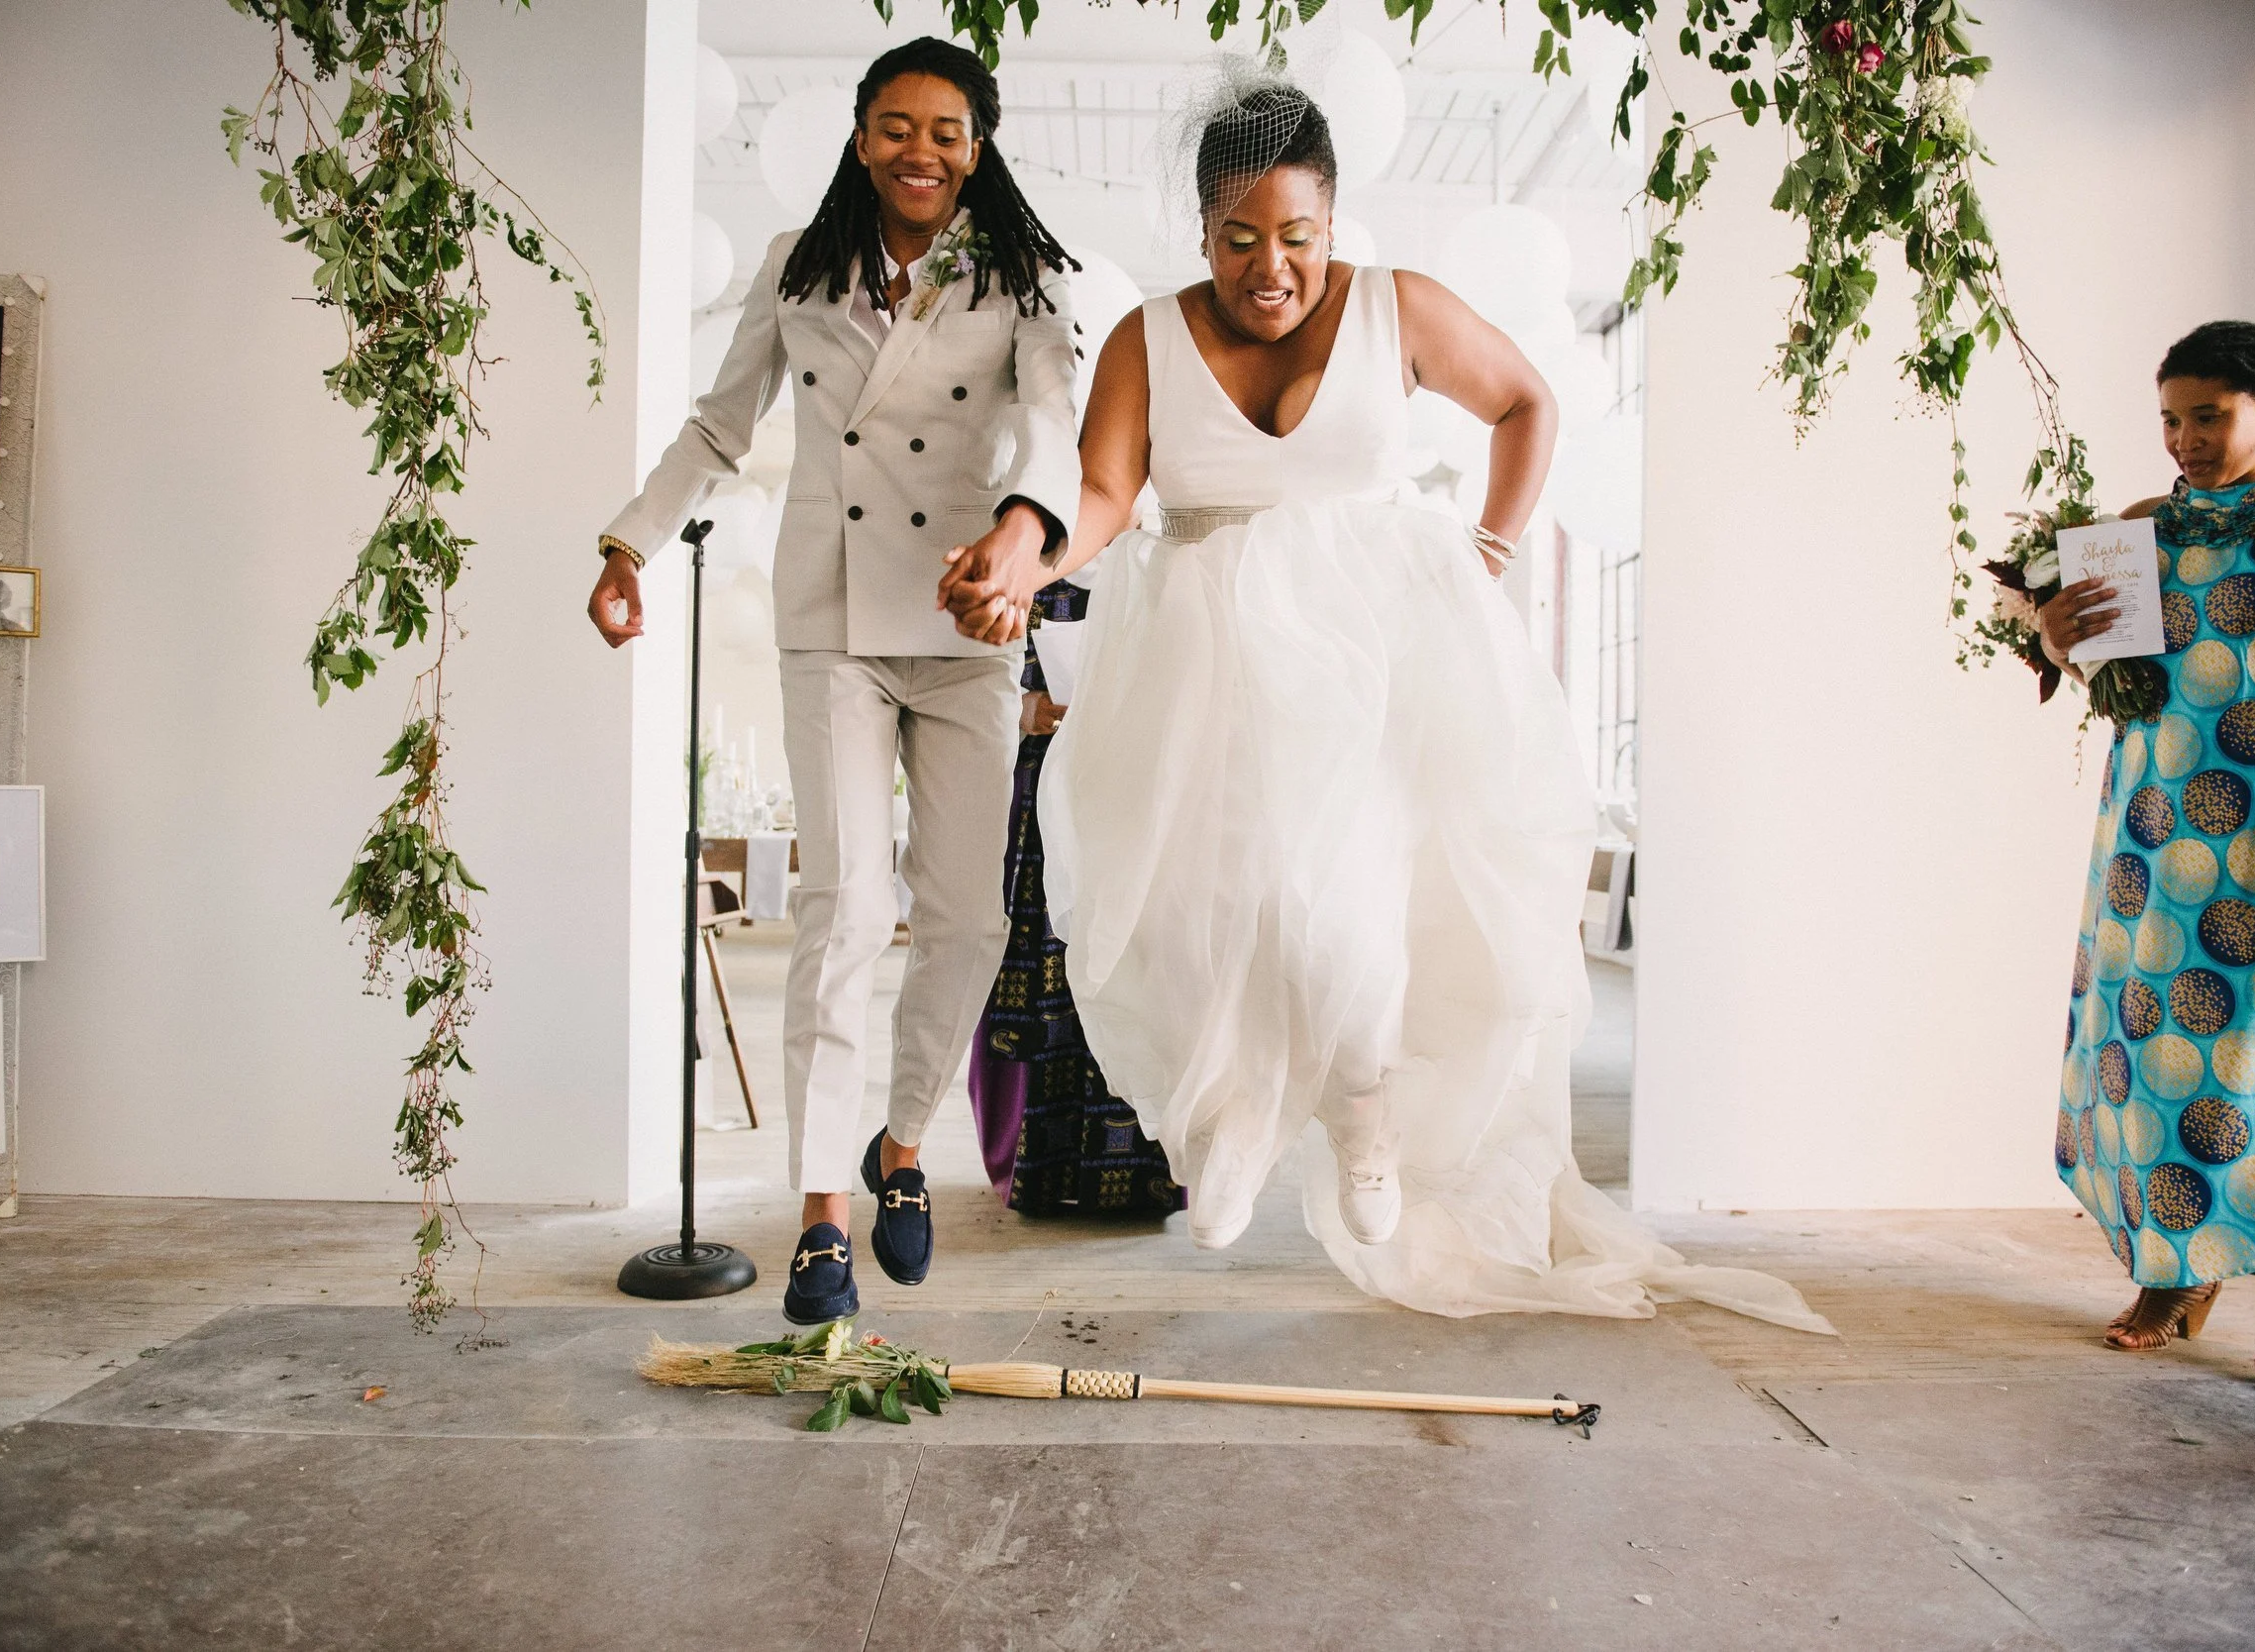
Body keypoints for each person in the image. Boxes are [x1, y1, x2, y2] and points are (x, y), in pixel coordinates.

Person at [937, 68, 1828, 1330]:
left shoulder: (1394, 307)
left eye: (1296, 238)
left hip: (1369, 671)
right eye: (1238, 241)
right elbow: (1100, 498)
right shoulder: (1147, 335)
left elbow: (1526, 401)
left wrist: (1493, 552)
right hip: (1206, 674)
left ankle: (1363, 1125)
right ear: (1201, 233)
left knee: (1343, 915)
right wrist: (1022, 562)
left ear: (1334, 222)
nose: (1269, 268)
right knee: (1199, 909)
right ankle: (1232, 1116)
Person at [586, 38, 1080, 1324]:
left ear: (978, 150)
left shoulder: (1023, 277)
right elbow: (718, 426)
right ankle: (820, 1219)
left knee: (968, 917)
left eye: (949, 131)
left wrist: (1025, 535)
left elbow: (1054, 426)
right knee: (844, 904)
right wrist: (630, 540)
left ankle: (900, 1150)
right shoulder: (799, 272)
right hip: (838, 628)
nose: (924, 149)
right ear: (861, 137)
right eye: (898, 125)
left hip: (971, 621)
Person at [2039, 321, 2255, 1382]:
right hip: (2155, 839)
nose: (2182, 439)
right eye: (2168, 419)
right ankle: (2179, 1265)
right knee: (2156, 1049)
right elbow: (2125, 697)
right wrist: (2057, 637)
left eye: (2206, 415)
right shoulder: (2135, 529)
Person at [965, 572, 1185, 1219]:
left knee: (1132, 967)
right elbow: (952, 686)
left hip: (1135, 796)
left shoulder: (1159, 569)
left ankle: (1147, 1175)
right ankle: (1035, 1166)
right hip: (1036, 793)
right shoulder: (1018, 561)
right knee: (1038, 967)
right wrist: (1023, 709)